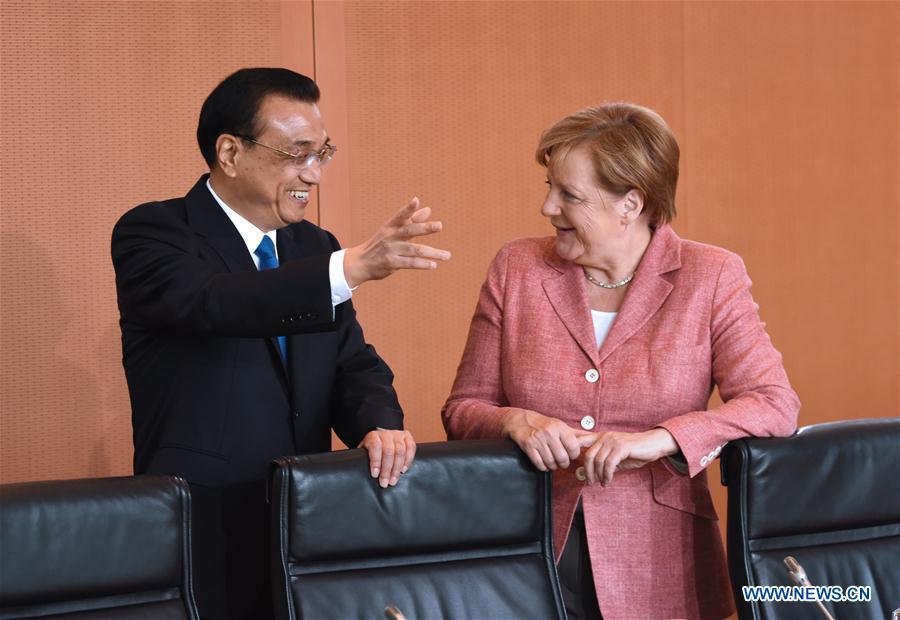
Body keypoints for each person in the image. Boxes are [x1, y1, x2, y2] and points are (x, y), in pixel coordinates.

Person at [112, 68, 450, 619]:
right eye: (297, 154)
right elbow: (215, 302)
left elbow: (349, 363)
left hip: (307, 520)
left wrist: (378, 424)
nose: (312, 174)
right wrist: (347, 270)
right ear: (230, 152)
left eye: (322, 153)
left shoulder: (314, 247)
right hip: (203, 524)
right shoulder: (154, 232)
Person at [442, 103, 800, 619]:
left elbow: (774, 404)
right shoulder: (516, 267)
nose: (547, 207)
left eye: (569, 195)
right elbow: (463, 408)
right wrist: (515, 422)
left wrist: (664, 438)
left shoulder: (711, 276)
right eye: (549, 186)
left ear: (630, 203)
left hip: (661, 561)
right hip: (521, 550)